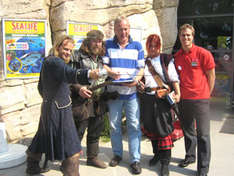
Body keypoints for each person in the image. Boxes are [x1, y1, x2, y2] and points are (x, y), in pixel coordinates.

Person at [25, 35, 100, 176]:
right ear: (57, 46)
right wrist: (89, 73)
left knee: (42, 136)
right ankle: (70, 173)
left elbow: (42, 86)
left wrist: (50, 100)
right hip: (59, 110)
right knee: (72, 146)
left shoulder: (49, 61)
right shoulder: (55, 62)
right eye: (65, 49)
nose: (67, 52)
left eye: (70, 50)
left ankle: (32, 166)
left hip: (50, 107)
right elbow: (69, 73)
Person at [69, 30, 119, 169]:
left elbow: (105, 76)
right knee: (77, 132)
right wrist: (79, 88)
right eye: (94, 40)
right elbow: (69, 78)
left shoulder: (101, 59)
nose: (97, 44)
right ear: (87, 42)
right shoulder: (77, 56)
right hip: (81, 101)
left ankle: (92, 157)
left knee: (95, 131)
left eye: (99, 41)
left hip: (98, 100)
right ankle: (70, 161)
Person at [102, 16, 144, 174]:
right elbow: (104, 65)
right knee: (114, 126)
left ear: (129, 29)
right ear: (115, 30)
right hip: (114, 94)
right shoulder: (108, 45)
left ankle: (135, 159)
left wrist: (137, 80)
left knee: (133, 125)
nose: (123, 32)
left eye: (125, 29)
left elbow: (141, 68)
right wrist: (111, 72)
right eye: (120, 29)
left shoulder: (137, 46)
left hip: (131, 94)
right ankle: (117, 155)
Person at [174, 24, 215, 176]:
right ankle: (190, 157)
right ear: (179, 37)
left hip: (201, 100)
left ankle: (203, 169)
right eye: (183, 35)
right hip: (184, 100)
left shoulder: (203, 54)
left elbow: (211, 76)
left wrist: (206, 94)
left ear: (193, 36)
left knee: (203, 135)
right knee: (188, 131)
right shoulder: (177, 57)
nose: (186, 38)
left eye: (188, 35)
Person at [138, 34, 180, 176]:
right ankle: (157, 154)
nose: (153, 48)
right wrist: (140, 84)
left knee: (164, 130)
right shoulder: (144, 61)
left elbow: (174, 78)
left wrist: (178, 93)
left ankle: (165, 163)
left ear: (159, 46)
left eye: (156, 46)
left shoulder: (166, 59)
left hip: (162, 98)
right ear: (147, 46)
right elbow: (139, 78)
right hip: (148, 99)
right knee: (151, 127)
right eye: (151, 46)